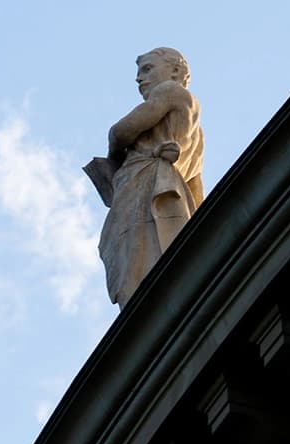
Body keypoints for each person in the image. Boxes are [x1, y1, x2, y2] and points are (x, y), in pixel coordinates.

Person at [96, 47, 204, 307]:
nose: (139, 79)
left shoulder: (169, 91)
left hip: (145, 182)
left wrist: (115, 157)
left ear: (175, 71)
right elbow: (196, 192)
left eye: (147, 69)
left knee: (137, 253)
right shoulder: (198, 133)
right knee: (158, 248)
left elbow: (120, 132)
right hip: (171, 192)